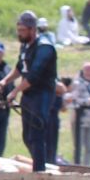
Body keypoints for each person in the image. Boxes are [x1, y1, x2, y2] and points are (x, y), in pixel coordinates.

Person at [7, 10, 61, 171]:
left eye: (23, 31)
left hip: (42, 94)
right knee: (27, 136)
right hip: (29, 94)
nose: (20, 34)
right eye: (19, 30)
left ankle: (39, 171)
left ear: (32, 29)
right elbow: (20, 67)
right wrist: (5, 81)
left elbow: (34, 75)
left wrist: (14, 91)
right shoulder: (25, 46)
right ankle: (41, 165)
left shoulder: (45, 47)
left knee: (36, 132)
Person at [67, 62, 90, 165]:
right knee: (78, 146)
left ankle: (87, 166)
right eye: (87, 70)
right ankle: (76, 166)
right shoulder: (77, 83)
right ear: (83, 71)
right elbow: (73, 100)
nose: (89, 72)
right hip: (79, 120)